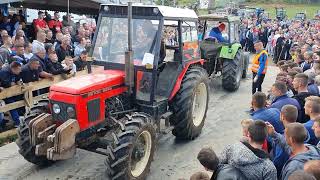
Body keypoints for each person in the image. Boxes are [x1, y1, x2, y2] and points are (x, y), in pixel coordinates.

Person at [0, 61, 22, 127]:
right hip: (4, 93)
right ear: (13, 69)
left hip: (13, 92)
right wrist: (11, 84)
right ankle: (17, 122)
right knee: (11, 104)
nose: (20, 71)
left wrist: (16, 82)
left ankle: (18, 119)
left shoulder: (16, 72)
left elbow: (17, 80)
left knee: (17, 103)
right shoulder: (4, 72)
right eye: (18, 69)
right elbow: (6, 84)